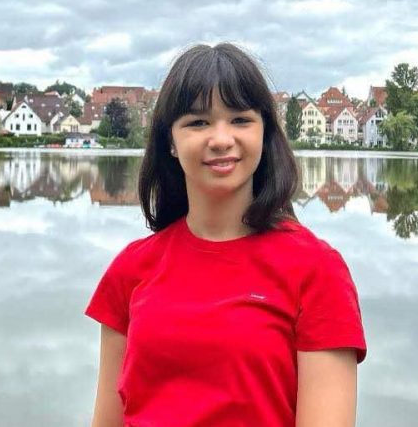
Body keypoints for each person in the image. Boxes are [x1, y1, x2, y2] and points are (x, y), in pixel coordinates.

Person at [85, 43, 366, 427]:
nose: (220, 138)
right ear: (170, 141)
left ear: (264, 133)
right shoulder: (131, 269)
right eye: (198, 122)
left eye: (240, 119)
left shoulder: (316, 270)